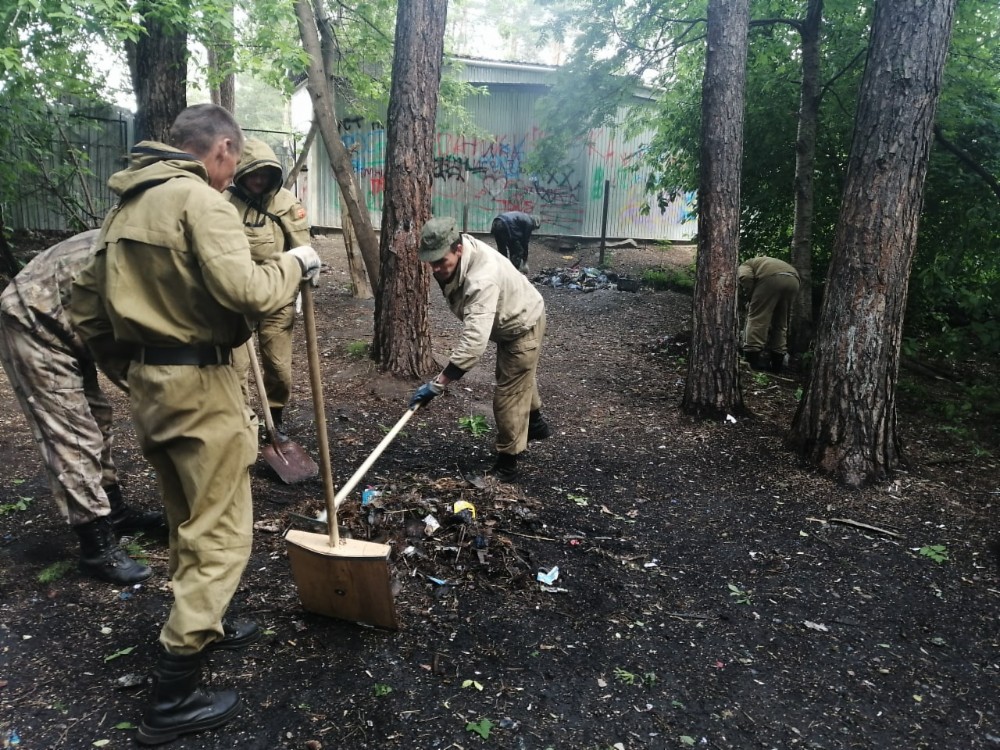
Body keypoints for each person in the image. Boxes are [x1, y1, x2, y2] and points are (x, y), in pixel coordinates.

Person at [69, 104, 321, 746]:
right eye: (234, 162)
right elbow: (250, 293)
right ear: (225, 149)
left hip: (153, 389)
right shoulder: (200, 201)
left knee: (187, 519)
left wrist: (134, 371)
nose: (233, 173)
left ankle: (205, 622)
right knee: (223, 536)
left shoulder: (122, 211)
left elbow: (86, 309)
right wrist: (299, 265)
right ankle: (172, 694)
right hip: (201, 385)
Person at [0, 230, 165, 586]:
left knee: (97, 416)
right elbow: (124, 356)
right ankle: (97, 547)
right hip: (32, 317)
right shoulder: (147, 263)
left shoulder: (163, 248)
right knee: (72, 432)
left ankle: (115, 513)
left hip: (70, 314)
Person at [410, 216, 551, 481]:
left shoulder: (481, 279)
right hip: (512, 314)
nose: (436, 268)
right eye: (432, 261)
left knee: (507, 395)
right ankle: (537, 424)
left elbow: (474, 343)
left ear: (458, 248)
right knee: (517, 376)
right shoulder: (462, 251)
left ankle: (508, 463)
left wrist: (438, 384)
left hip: (523, 323)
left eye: (442, 261)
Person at [226, 138, 311, 442]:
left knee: (279, 369)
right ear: (242, 172)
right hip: (238, 301)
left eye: (265, 174)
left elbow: (303, 249)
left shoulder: (286, 202)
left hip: (278, 297)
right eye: (253, 173)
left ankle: (275, 419)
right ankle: (244, 423)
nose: (259, 180)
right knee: (236, 370)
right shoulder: (224, 203)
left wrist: (306, 277)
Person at [738, 256, 801, 373]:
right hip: (794, 280)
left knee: (757, 318)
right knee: (780, 323)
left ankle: (752, 362)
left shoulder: (745, 265)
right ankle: (777, 365)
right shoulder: (763, 262)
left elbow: (745, 277)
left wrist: (750, 297)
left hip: (771, 279)